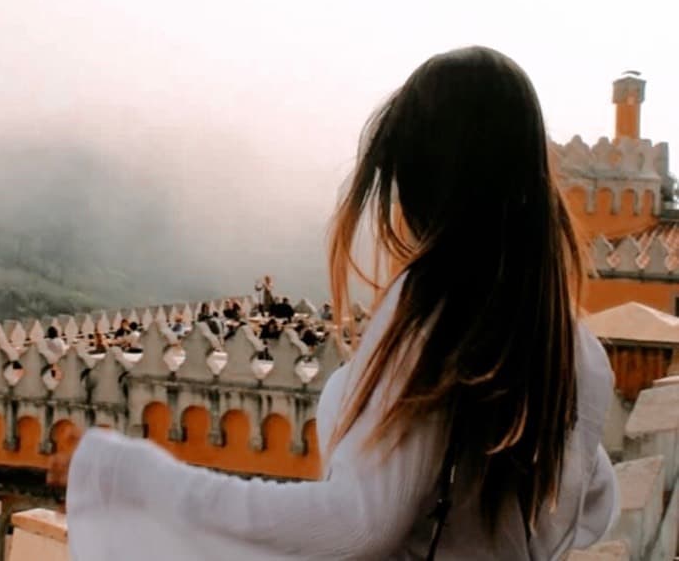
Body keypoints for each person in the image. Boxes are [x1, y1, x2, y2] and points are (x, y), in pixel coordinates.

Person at [64, 47, 619, 560]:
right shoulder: (577, 351)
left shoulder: (436, 312)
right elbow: (595, 507)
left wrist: (134, 479)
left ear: (425, 178)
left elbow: (358, 524)